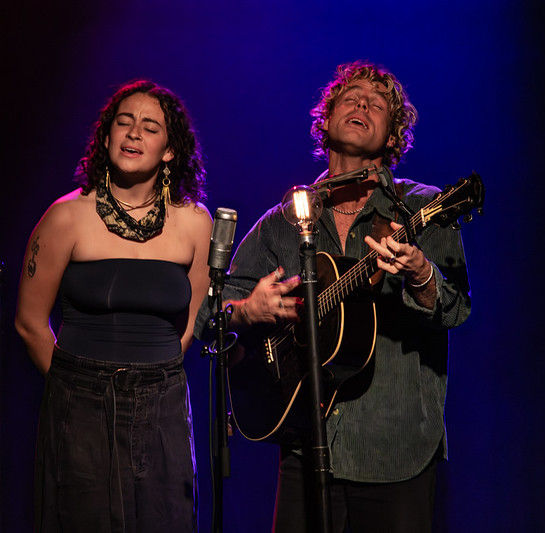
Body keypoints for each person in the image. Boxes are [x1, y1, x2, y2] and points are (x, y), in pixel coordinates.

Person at [195, 61, 471, 532]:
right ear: (325, 120)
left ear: (391, 138)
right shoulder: (283, 219)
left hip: (395, 445)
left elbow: (457, 307)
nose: (362, 103)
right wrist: (247, 310)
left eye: (378, 104)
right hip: (305, 441)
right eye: (351, 98)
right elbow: (207, 317)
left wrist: (422, 275)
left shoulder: (424, 206)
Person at [15, 79, 212, 532]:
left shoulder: (196, 222)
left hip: (160, 400)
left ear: (169, 150)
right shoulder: (66, 216)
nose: (134, 133)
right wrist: (79, 386)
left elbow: (193, 319)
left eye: (149, 126)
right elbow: (29, 322)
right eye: (124, 123)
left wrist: (148, 379)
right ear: (106, 139)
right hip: (80, 401)